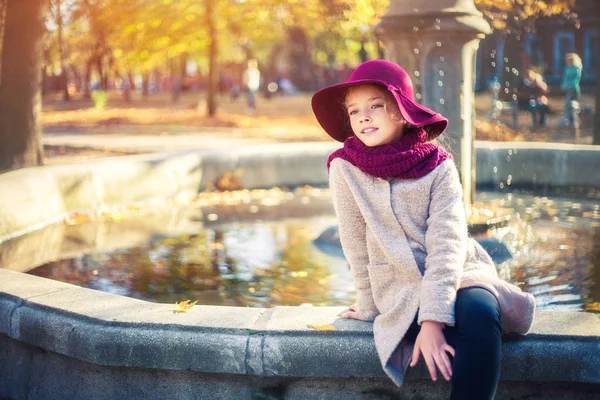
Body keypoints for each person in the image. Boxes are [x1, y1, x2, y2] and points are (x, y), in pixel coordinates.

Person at [311, 59, 535, 399]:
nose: (364, 117)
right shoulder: (344, 168)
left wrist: (433, 320)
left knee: (479, 312)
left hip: (458, 273)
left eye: (376, 106)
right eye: (355, 111)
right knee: (443, 331)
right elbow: (354, 242)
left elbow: (448, 245)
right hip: (399, 286)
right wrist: (368, 303)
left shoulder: (438, 166)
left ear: (401, 112)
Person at [559, 53, 582, 128]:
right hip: (567, 89)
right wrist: (563, 85)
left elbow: (575, 79)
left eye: (569, 60)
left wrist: (568, 85)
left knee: (572, 105)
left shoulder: (577, 68)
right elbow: (565, 78)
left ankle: (574, 122)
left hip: (573, 89)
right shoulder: (567, 68)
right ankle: (569, 122)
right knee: (568, 105)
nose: (567, 62)